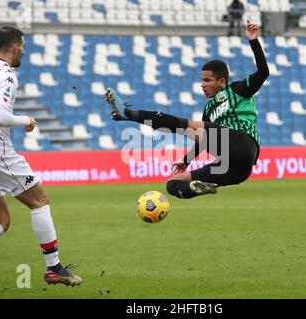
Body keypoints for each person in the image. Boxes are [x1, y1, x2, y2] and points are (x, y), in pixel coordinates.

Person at [0, 26, 82, 299]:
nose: (23, 50)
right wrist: (27, 121)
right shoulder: (7, 74)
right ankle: (53, 267)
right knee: (39, 201)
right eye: (22, 45)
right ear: (14, 47)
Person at [105, 20, 269, 199]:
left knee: (182, 125)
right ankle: (197, 187)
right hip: (235, 169)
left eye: (207, 80)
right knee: (174, 184)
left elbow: (263, 72)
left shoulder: (238, 90)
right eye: (202, 80)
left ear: (221, 81)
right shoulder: (209, 109)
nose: (202, 85)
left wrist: (253, 40)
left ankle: (127, 113)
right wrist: (186, 161)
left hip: (243, 144)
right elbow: (205, 140)